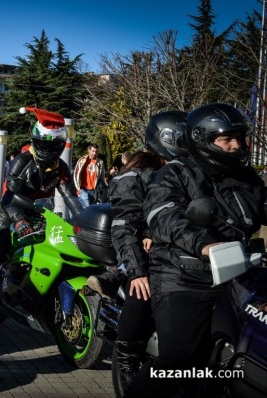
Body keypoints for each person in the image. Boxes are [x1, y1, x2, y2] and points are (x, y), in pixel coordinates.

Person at [126, 103, 266, 397]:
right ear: (203, 140)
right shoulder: (174, 174)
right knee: (178, 357)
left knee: (246, 346)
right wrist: (204, 244)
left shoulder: (247, 177)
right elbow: (164, 215)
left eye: (239, 138)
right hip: (183, 277)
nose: (236, 146)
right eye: (226, 139)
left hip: (236, 275)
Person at [0, 107, 82, 341]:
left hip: (40, 219)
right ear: (35, 140)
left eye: (54, 146)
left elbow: (71, 197)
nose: (48, 150)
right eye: (44, 144)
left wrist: (83, 220)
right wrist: (20, 221)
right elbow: (10, 198)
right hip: (8, 218)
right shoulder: (22, 161)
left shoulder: (60, 168)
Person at [86, 110, 188, 390]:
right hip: (146, 253)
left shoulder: (191, 172)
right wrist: (137, 267)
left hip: (183, 250)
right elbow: (126, 223)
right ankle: (127, 356)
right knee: (142, 291)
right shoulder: (137, 175)